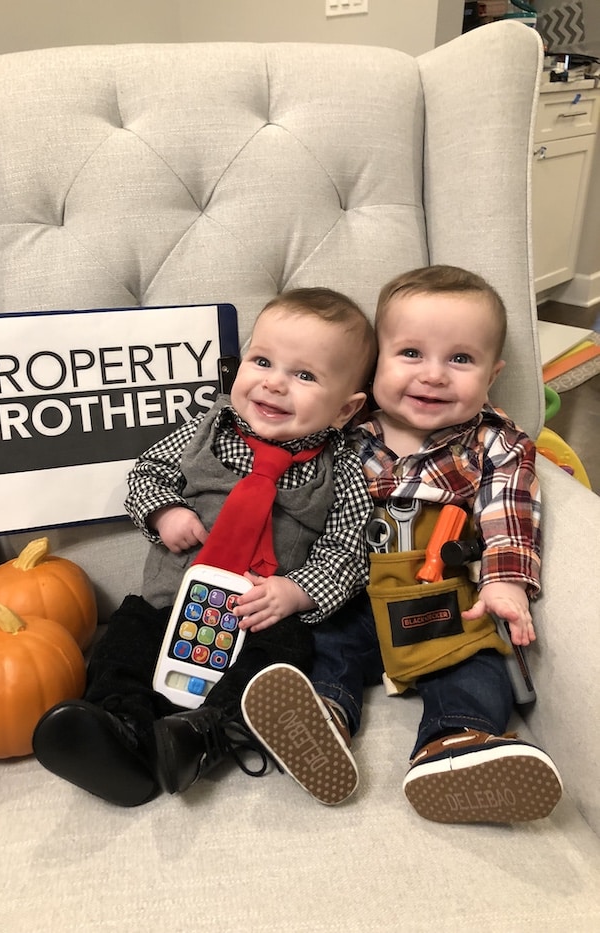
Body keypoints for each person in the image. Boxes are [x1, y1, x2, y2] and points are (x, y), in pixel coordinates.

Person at [242, 265, 564, 823]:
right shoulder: (344, 431)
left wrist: (505, 581)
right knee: (327, 645)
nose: (434, 375)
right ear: (376, 364)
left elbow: (509, 513)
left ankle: (456, 746)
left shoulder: (495, 444)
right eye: (411, 353)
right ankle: (320, 721)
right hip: (353, 593)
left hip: (441, 600)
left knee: (474, 662)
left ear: (493, 373)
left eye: (460, 359)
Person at [32, 286, 376, 807]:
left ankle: (204, 735)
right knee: (124, 642)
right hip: (167, 605)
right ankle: (120, 732)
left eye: (305, 375)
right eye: (262, 361)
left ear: (346, 409)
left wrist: (297, 591)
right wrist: (163, 512)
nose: (274, 383)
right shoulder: (206, 430)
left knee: (285, 657)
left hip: (258, 618)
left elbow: (348, 551)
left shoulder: (344, 470)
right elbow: (146, 474)